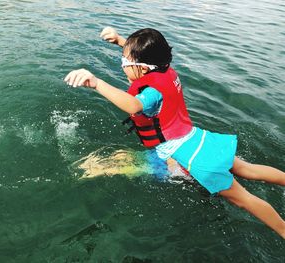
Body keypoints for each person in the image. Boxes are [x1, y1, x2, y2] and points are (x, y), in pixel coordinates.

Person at [64, 27, 285, 238]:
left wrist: (96, 83)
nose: (122, 65)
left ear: (141, 67)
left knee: (242, 199)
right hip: (197, 138)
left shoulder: (150, 94)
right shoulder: (166, 71)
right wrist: (120, 40)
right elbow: (146, 59)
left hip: (189, 153)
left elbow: (132, 105)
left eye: (124, 61)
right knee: (247, 169)